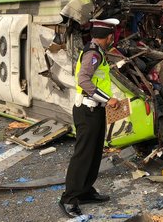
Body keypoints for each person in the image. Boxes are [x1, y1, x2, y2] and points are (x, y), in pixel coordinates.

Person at [59, 18, 120, 218]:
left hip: (95, 110)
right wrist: (107, 99)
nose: (112, 38)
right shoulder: (93, 53)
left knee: (94, 153)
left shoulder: (97, 51)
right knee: (83, 154)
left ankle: (85, 191)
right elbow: (83, 80)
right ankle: (69, 199)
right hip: (87, 110)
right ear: (108, 36)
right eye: (112, 36)